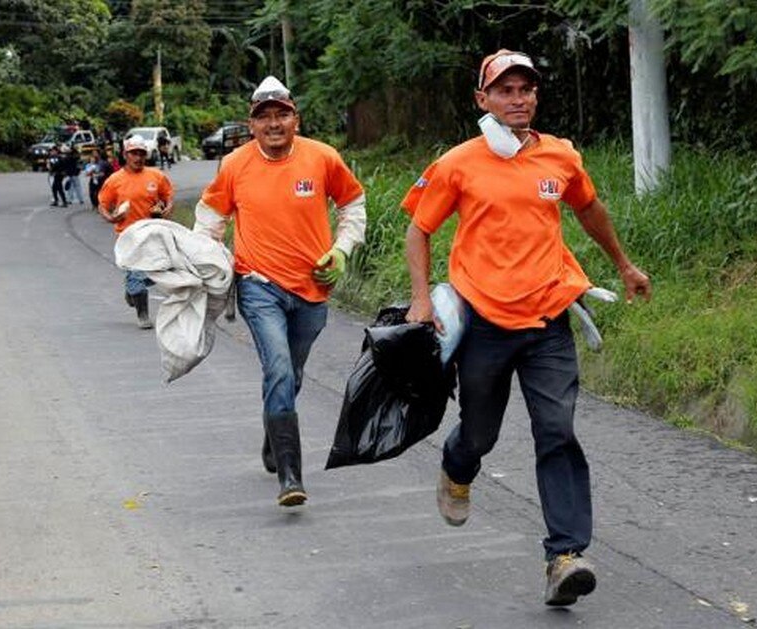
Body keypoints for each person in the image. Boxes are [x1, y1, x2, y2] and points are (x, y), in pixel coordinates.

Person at [402, 50, 652, 606]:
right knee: (480, 434)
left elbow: (589, 210)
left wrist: (624, 265)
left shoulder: (560, 156)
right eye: (506, 90)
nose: (519, 99)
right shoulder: (458, 163)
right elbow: (418, 231)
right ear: (483, 99)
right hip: (485, 324)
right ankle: (456, 464)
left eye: (527, 90)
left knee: (557, 431)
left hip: (547, 320)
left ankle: (564, 555)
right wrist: (422, 300)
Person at [193, 76, 367, 508]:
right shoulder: (234, 164)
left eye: (281, 115)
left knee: (293, 370)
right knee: (279, 368)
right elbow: (210, 219)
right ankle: (290, 474)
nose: (273, 124)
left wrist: (341, 250)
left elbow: (353, 205)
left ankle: (274, 436)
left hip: (313, 288)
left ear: (295, 118)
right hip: (258, 284)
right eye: (263, 117)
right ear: (251, 125)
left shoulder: (323, 158)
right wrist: (204, 262)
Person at [97, 134, 174, 329]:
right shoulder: (115, 180)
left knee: (160, 270)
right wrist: (110, 217)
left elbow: (168, 196)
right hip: (128, 237)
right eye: (133, 154)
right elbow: (103, 205)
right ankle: (143, 314)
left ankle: (132, 289)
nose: (138, 157)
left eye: (141, 153)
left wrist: (167, 208)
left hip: (153, 234)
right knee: (137, 275)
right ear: (125, 155)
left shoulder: (156, 176)